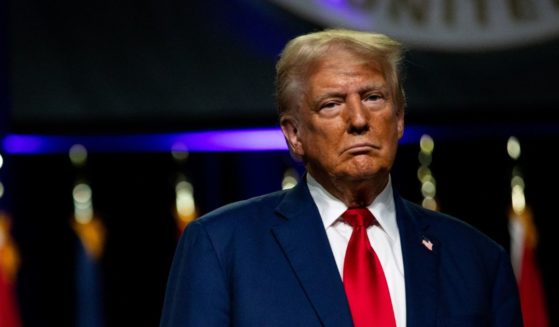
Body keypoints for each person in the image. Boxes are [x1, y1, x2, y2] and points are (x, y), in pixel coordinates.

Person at [160, 29, 522, 327]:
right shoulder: (222, 247)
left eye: (374, 97)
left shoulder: (477, 258)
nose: (359, 119)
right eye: (332, 103)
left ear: (398, 119)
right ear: (294, 134)